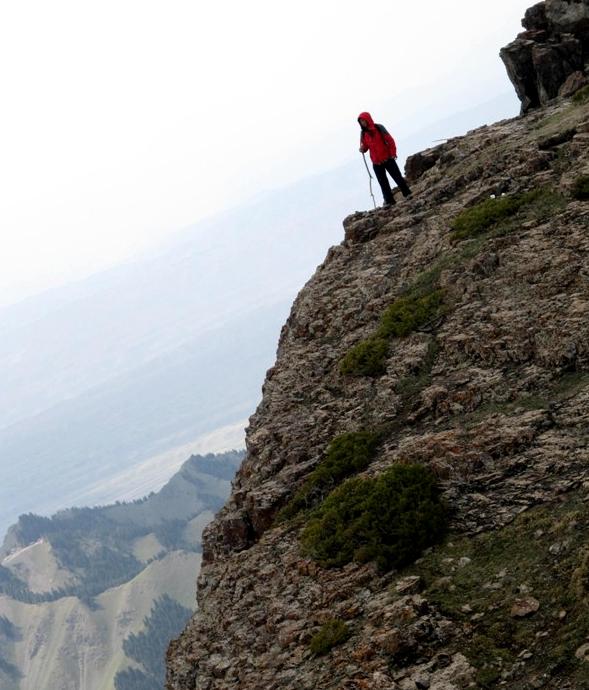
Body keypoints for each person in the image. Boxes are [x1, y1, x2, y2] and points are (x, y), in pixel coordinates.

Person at [358, 111, 412, 206]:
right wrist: (362, 149)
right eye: (360, 121)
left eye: (363, 120)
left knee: (397, 177)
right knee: (383, 183)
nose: (362, 123)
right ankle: (389, 201)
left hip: (388, 158)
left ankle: (407, 194)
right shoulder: (363, 133)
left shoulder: (379, 128)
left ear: (368, 119)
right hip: (376, 163)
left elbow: (390, 140)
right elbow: (365, 147)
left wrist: (393, 153)